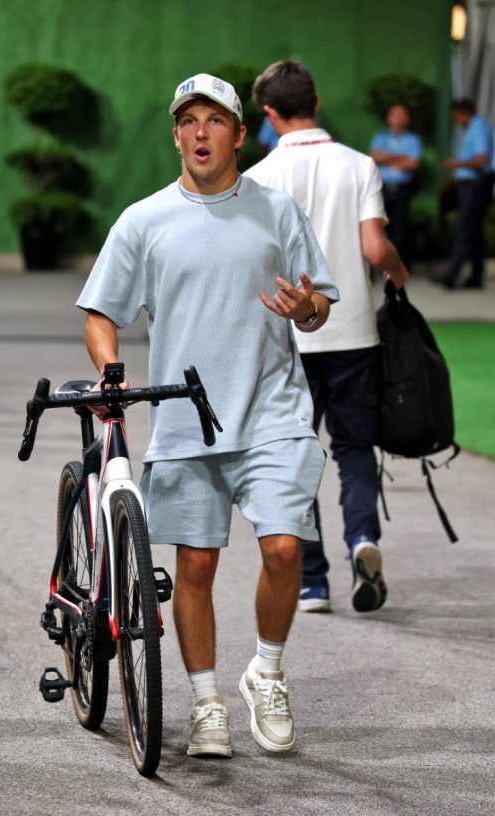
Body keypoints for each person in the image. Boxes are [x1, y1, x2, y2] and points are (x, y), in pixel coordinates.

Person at [76, 72, 339, 758]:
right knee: (194, 567)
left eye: (214, 120)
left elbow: (319, 304)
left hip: (273, 412)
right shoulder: (143, 219)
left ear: (238, 134)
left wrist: (304, 309)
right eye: (188, 120)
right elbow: (102, 312)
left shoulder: (277, 211)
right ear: (175, 135)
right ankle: (203, 703)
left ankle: (266, 672)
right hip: (186, 421)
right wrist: (111, 368)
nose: (200, 132)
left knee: (284, 548)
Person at [245, 61, 409, 615]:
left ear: (268, 113)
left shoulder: (260, 179)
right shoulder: (359, 164)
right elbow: (375, 251)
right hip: (354, 333)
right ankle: (363, 540)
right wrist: (401, 276)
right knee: (355, 449)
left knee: (296, 457)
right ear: (316, 100)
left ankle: (311, 581)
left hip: (287, 341)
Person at [436, 98, 494, 289]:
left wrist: (457, 164)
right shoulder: (473, 128)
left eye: (455, 116)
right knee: (474, 231)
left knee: (464, 228)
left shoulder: (478, 128)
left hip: (475, 185)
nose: (455, 120)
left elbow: (481, 159)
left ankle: (451, 274)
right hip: (469, 185)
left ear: (462, 113)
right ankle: (476, 276)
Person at [370, 104, 422, 267]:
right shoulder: (381, 137)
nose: (398, 119)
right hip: (382, 188)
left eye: (402, 115)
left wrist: (386, 158)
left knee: (401, 228)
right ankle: (381, 264)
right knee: (380, 227)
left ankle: (397, 265)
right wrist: (400, 158)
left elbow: (412, 163)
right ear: (389, 118)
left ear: (407, 119)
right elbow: (374, 157)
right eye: (395, 115)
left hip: (402, 189)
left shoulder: (412, 139)